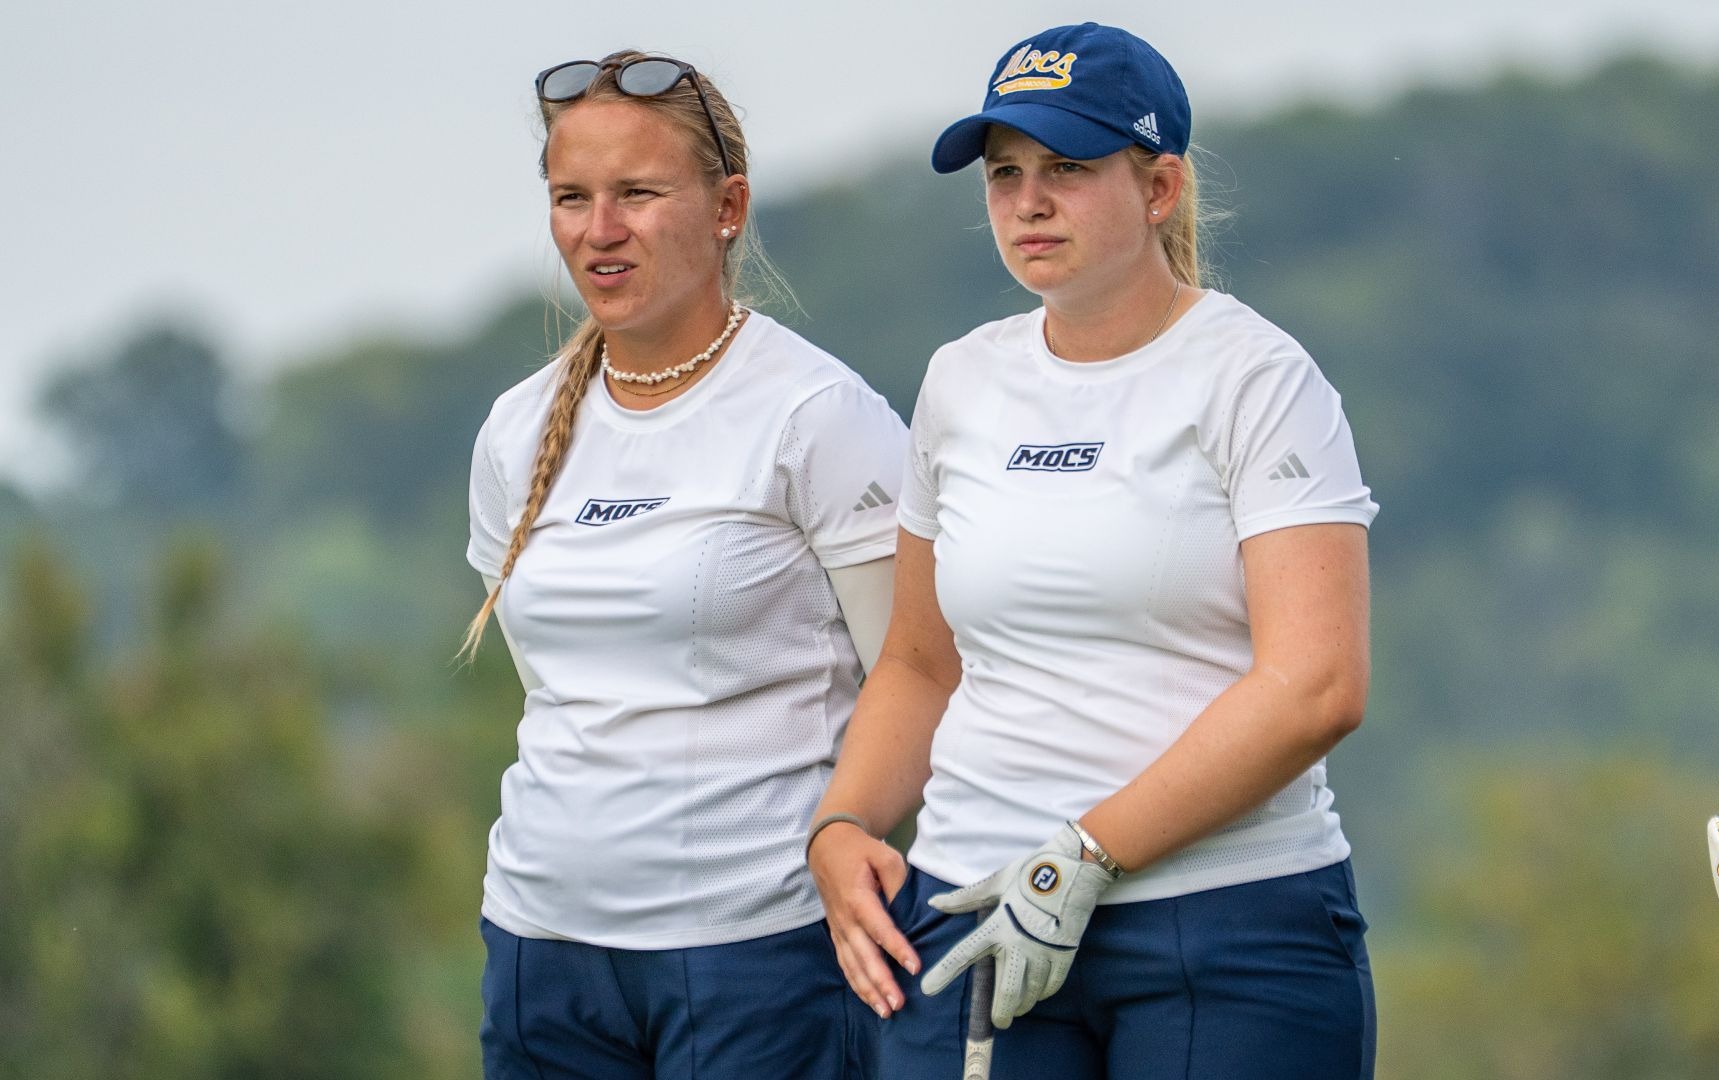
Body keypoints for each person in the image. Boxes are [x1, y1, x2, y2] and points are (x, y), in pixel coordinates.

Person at [806, 23, 1378, 1080]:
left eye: (1067, 169)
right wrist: (843, 822)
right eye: (1005, 173)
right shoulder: (962, 382)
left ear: (1160, 188)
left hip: (1229, 929)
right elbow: (922, 662)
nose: (1028, 202)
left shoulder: (1258, 380)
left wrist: (1084, 855)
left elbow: (1317, 685)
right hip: (972, 912)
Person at [460, 51, 906, 1079]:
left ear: (727, 206)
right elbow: (569, 687)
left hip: (763, 956)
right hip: (540, 949)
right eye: (571, 197)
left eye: (638, 194)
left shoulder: (820, 417)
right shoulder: (514, 431)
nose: (598, 228)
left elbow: (917, 681)